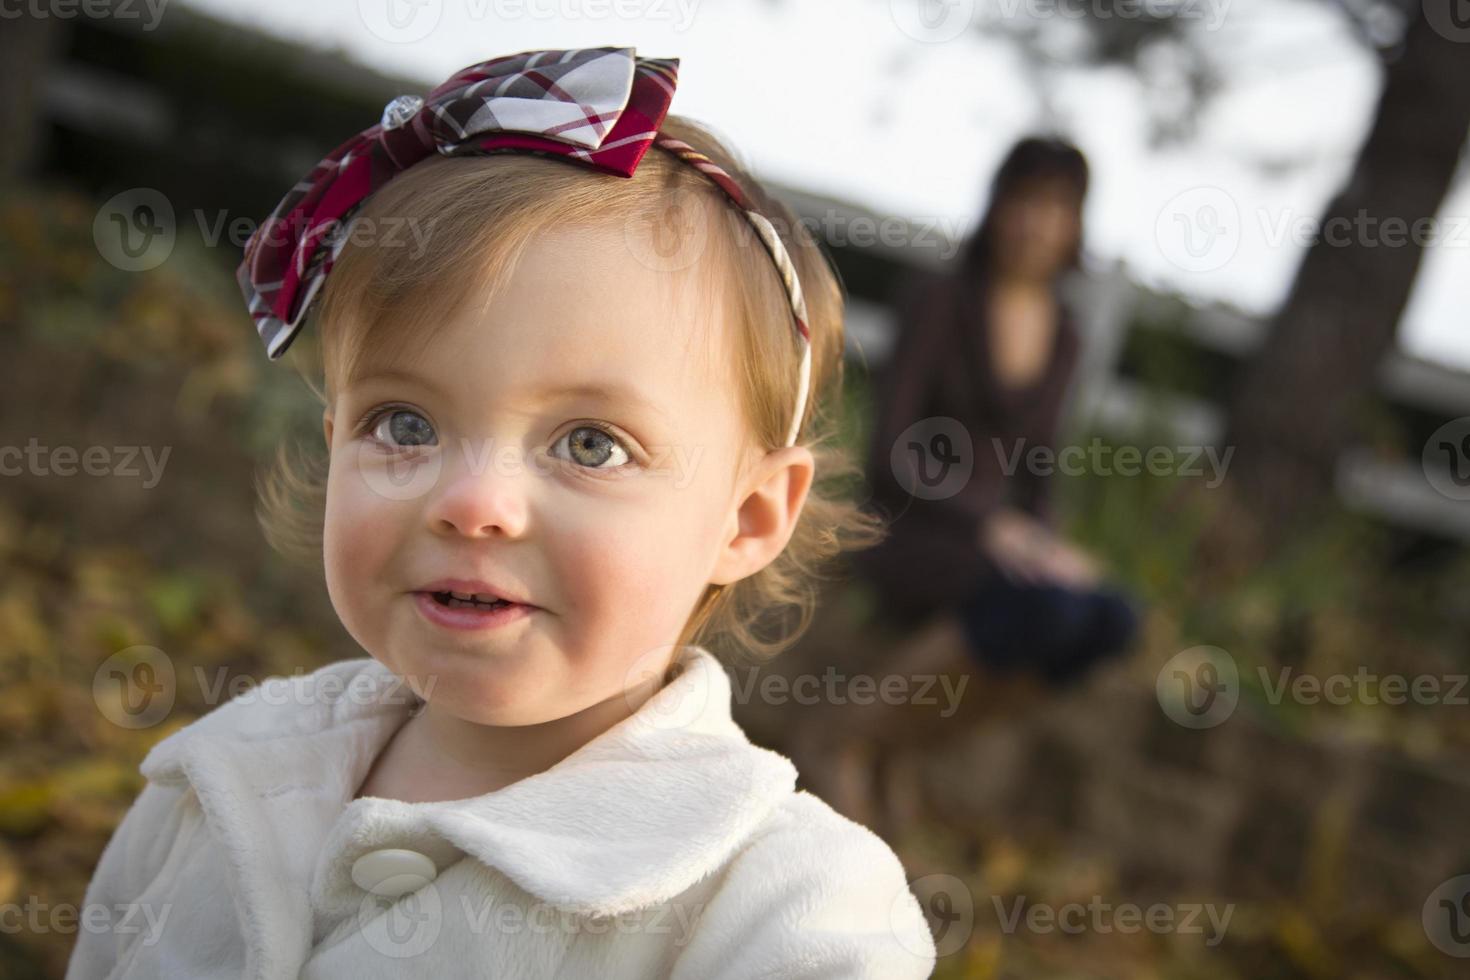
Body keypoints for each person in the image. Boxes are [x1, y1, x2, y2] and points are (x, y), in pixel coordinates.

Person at [65, 48, 935, 979]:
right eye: (403, 424)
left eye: (591, 444)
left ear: (750, 517)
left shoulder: (783, 914)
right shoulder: (216, 778)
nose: (472, 503)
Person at [794, 137, 1140, 829]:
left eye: (1054, 206)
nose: (1034, 222)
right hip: (911, 524)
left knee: (1105, 619)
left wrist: (1049, 546)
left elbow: (1038, 464)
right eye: (1023, 200)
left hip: (997, 544)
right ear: (997, 204)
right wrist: (987, 522)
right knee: (1030, 604)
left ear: (1074, 224)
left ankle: (900, 748)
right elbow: (893, 447)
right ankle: (843, 736)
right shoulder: (941, 299)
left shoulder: (1066, 335)